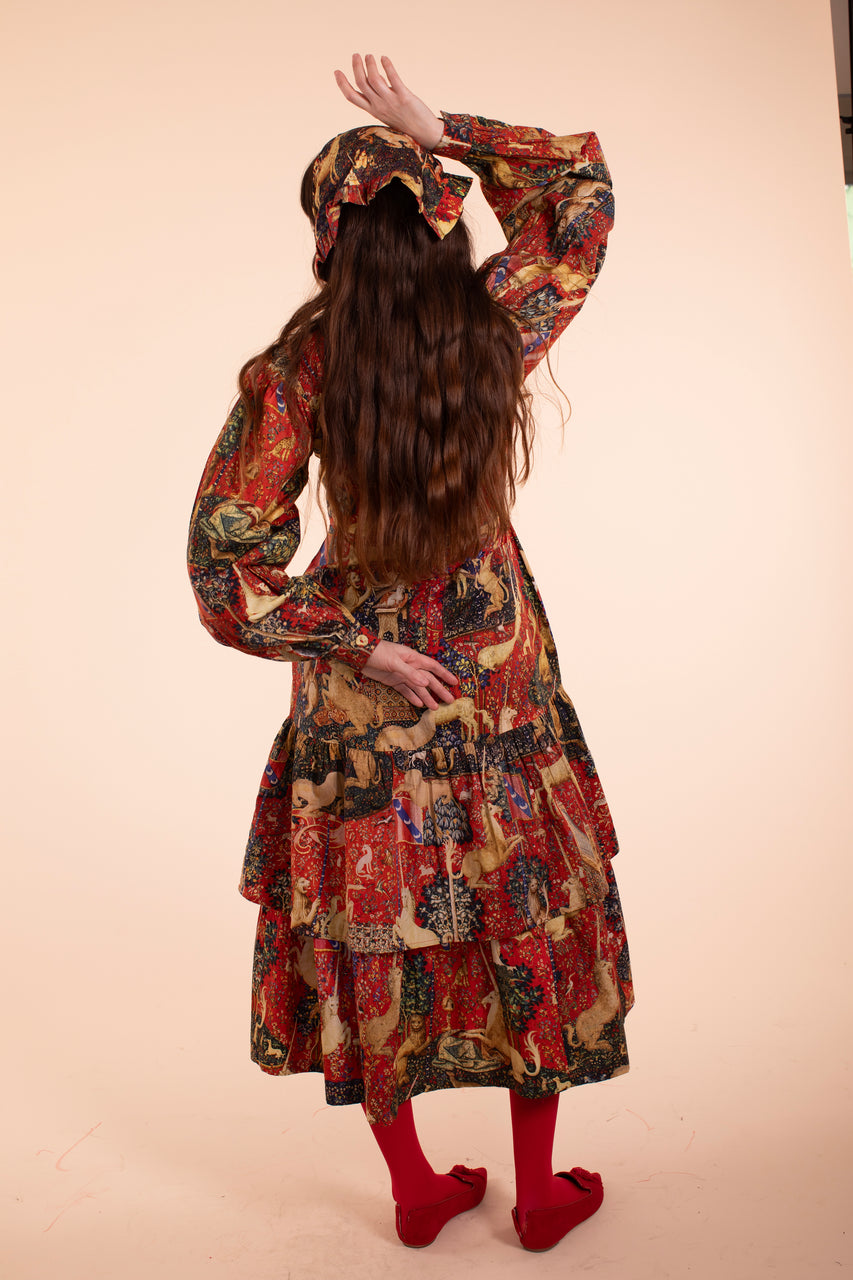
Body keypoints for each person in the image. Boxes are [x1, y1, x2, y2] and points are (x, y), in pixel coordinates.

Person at [186, 53, 634, 1253]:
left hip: (361, 710)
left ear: (326, 243)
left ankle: (417, 1188)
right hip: (495, 680)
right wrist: (441, 128)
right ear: (439, 221)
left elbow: (225, 565)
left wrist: (357, 646)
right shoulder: (495, 327)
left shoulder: (297, 372)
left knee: (372, 930)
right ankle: (539, 1194)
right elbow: (581, 192)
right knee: (521, 913)